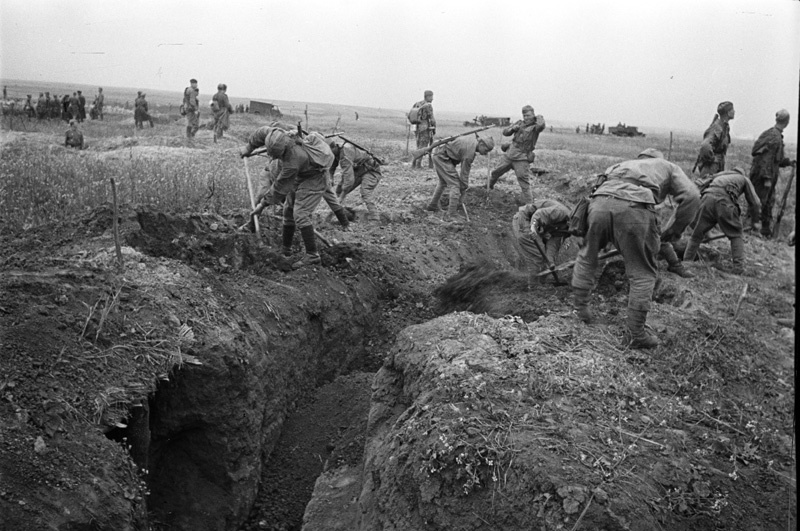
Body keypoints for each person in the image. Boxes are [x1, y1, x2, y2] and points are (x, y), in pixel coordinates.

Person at [571, 148, 700, 349]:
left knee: (587, 257)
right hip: (634, 206)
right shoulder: (667, 166)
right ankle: (635, 334)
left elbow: (594, 190)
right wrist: (674, 230)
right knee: (642, 273)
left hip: (598, 204)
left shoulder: (619, 165)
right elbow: (692, 196)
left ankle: (581, 312)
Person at [240, 126, 335, 268]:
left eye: (277, 156)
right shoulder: (275, 134)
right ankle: (286, 250)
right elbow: (260, 133)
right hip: (301, 174)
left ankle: (312, 255)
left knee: (300, 213)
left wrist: (261, 206)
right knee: (288, 211)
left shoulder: (293, 161)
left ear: (284, 152)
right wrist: (249, 148)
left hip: (315, 177)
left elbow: (279, 188)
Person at [683, 168, 761, 275]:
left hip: (706, 200)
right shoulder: (743, 178)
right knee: (736, 235)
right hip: (724, 202)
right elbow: (755, 202)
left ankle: (687, 262)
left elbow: (696, 190)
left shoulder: (717, 176)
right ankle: (738, 267)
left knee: (696, 235)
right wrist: (755, 222)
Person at [748, 109, 796, 237]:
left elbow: (776, 160)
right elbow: (766, 159)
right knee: (759, 201)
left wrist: (788, 162)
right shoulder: (774, 137)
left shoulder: (774, 135)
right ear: (787, 122)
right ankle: (752, 228)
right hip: (763, 176)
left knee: (768, 201)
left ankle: (764, 230)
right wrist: (767, 178)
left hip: (767, 174)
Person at [425, 134, 495, 221]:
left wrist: (463, 187)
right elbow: (464, 173)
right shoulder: (469, 153)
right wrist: (463, 188)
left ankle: (432, 206)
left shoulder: (472, 142)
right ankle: (451, 214)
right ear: (481, 144)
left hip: (440, 154)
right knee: (455, 185)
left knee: (443, 182)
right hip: (442, 156)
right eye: (486, 150)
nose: (486, 153)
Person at [489, 105, 546, 204]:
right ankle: (488, 189)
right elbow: (505, 132)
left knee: (524, 183)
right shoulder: (519, 123)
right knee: (495, 172)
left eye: (528, 115)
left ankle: (529, 207)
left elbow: (541, 126)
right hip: (510, 154)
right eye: (524, 115)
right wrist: (512, 129)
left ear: (533, 114)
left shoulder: (535, 127)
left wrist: (538, 117)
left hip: (522, 158)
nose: (526, 118)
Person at [512, 198, 571, 285]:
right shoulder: (561, 212)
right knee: (537, 255)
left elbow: (553, 244)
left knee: (544, 260)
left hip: (537, 226)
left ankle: (540, 283)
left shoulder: (568, 228)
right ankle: (533, 288)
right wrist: (533, 229)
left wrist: (550, 261)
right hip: (524, 219)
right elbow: (538, 215)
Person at [327, 138, 385, 223]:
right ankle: (344, 213)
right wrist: (330, 178)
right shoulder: (336, 151)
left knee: (365, 192)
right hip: (358, 169)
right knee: (339, 190)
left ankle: (375, 218)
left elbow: (349, 179)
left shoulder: (345, 155)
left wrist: (342, 196)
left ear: (333, 148)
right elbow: (332, 167)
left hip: (371, 170)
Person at [694, 101, 734, 181]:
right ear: (728, 112)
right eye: (732, 110)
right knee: (704, 188)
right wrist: (712, 159)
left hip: (718, 165)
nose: (734, 112)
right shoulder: (717, 127)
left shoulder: (724, 127)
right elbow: (705, 146)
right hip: (711, 167)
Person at [411, 90, 436, 170]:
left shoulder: (417, 104)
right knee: (423, 147)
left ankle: (414, 163)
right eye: (431, 96)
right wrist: (434, 127)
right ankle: (418, 164)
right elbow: (432, 119)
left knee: (418, 146)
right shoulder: (428, 106)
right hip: (425, 128)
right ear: (427, 96)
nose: (432, 99)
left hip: (417, 128)